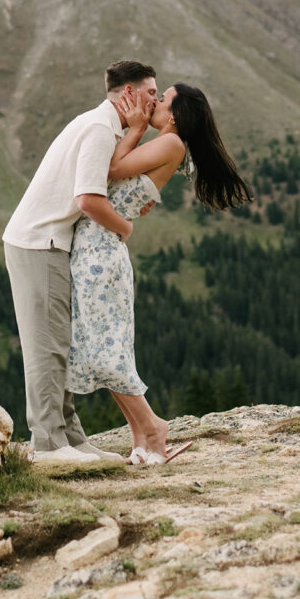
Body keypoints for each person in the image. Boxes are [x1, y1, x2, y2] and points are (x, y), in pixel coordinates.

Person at [66, 82, 251, 464]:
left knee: (107, 352)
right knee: (104, 348)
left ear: (175, 116)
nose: (153, 103)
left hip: (102, 248)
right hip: (97, 246)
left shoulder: (171, 143)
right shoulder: (170, 146)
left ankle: (153, 428)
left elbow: (112, 168)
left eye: (162, 100)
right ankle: (143, 439)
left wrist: (133, 128)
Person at [2, 61, 159, 464]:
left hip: (51, 242)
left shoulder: (104, 126)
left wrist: (138, 131)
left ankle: (71, 437)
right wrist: (124, 229)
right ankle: (48, 446)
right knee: (48, 347)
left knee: (62, 343)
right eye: (150, 93)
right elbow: (88, 199)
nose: (155, 101)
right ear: (129, 94)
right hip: (40, 243)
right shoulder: (98, 129)